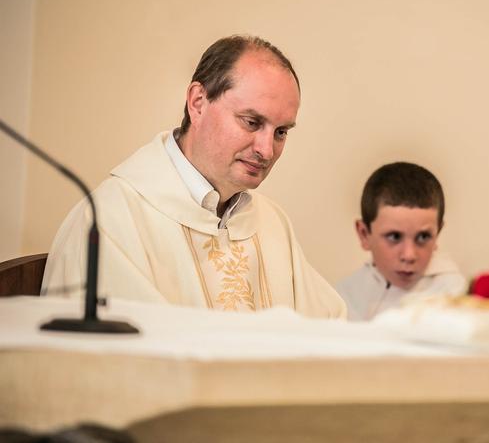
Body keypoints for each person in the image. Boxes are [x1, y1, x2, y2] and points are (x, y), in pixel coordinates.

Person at [42, 35, 346, 319]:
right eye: (252, 122)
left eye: (281, 132)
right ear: (198, 102)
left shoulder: (271, 222)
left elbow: (330, 328)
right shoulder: (110, 220)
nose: (266, 150)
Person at [335, 162, 466, 321]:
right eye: (394, 237)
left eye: (423, 237)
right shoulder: (342, 298)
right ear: (364, 234)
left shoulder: (456, 297)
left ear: (437, 233)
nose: (409, 255)